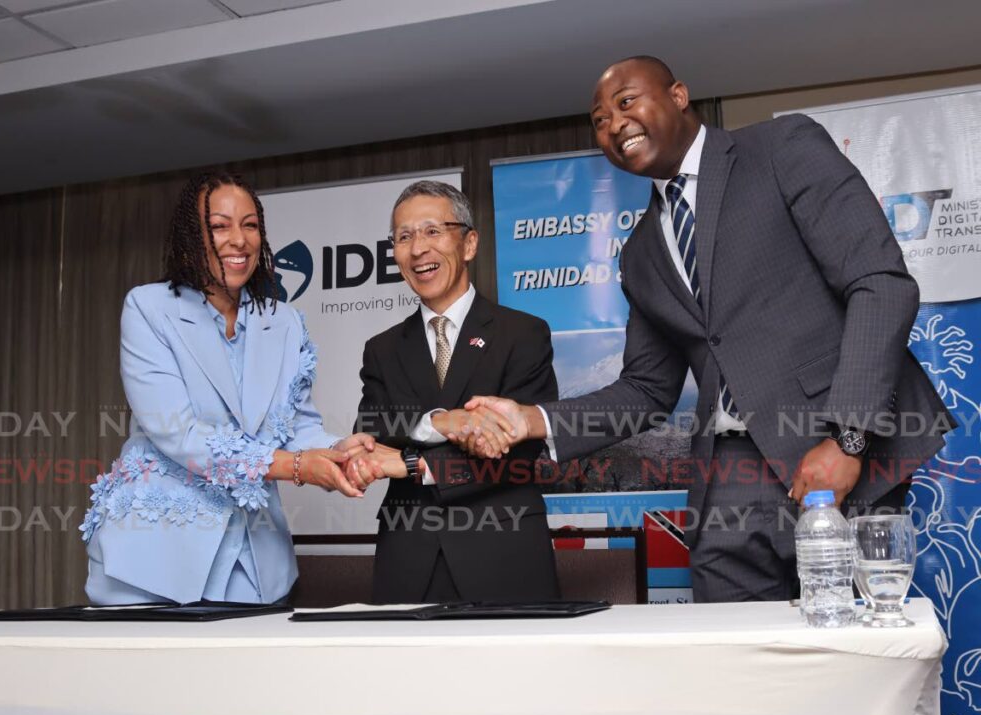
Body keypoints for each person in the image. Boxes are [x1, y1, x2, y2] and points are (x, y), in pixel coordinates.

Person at [465, 56, 954, 603]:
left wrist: (849, 437)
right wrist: (531, 419)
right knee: (737, 669)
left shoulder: (779, 148)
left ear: (678, 95)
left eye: (626, 102)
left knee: (851, 660)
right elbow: (646, 390)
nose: (613, 125)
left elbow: (880, 283)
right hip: (726, 477)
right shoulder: (641, 252)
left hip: (831, 450)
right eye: (599, 120)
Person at [79, 171, 375, 605]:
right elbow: (178, 434)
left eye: (250, 225)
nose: (239, 239)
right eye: (219, 226)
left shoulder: (285, 322)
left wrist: (342, 450)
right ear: (190, 237)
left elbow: (296, 428)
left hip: (255, 564)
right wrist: (295, 466)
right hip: (154, 558)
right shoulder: (149, 308)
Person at [346, 180, 561, 603]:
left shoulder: (523, 333)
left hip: (504, 554)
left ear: (468, 243)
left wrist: (411, 465)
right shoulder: (383, 348)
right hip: (408, 557)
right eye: (403, 237)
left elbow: (517, 452)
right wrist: (438, 423)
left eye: (431, 231)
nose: (417, 248)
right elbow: (370, 429)